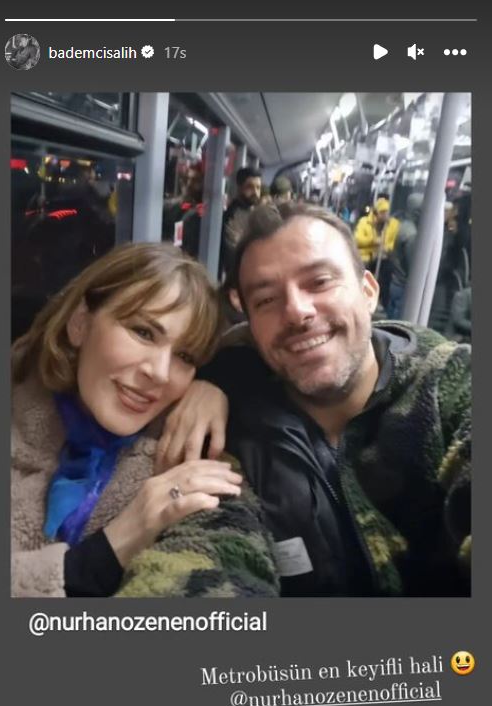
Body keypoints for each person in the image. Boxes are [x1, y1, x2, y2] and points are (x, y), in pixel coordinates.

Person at [159, 203, 471, 598]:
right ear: (250, 325)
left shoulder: (451, 385)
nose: (296, 311)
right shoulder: (234, 427)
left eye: (320, 282)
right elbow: (205, 550)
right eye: (266, 300)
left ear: (369, 291)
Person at [11, 242, 279, 598]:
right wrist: (107, 552)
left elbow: (226, 554)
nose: (160, 372)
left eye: (185, 356)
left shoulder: (184, 451)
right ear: (80, 323)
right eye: (143, 332)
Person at [387, 193, 424, 319]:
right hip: (403, 284)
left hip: (395, 280)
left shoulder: (402, 226)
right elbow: (413, 266)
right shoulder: (412, 234)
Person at [221, 166, 262, 274]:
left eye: (258, 188)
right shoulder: (234, 215)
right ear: (240, 188)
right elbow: (235, 251)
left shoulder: (253, 211)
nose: (255, 192)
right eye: (250, 187)